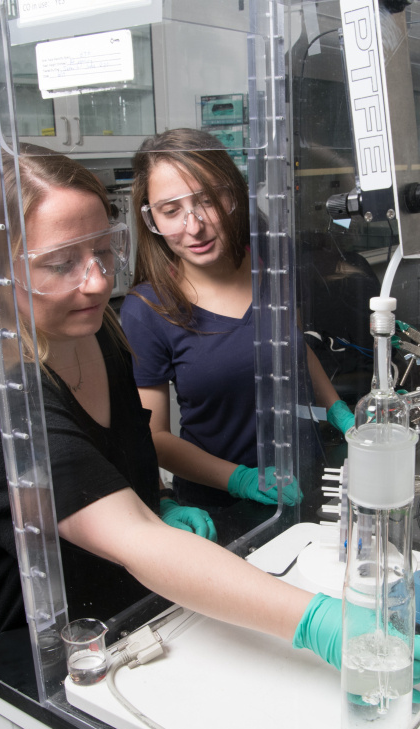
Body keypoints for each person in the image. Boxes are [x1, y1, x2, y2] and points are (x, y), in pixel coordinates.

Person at [0, 145, 420, 729]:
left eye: (102, 251)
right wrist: (323, 623)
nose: (96, 280)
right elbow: (136, 540)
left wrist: (156, 501)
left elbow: (126, 459)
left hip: (109, 649)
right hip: (10, 693)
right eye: (61, 264)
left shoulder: (98, 333)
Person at [121, 128, 356, 511]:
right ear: (151, 218)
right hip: (219, 504)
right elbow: (155, 437)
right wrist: (237, 479)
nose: (193, 227)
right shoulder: (148, 309)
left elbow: (293, 346)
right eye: (171, 211)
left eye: (207, 201)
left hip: (306, 475)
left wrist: (337, 411)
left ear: (233, 195)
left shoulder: (271, 265)